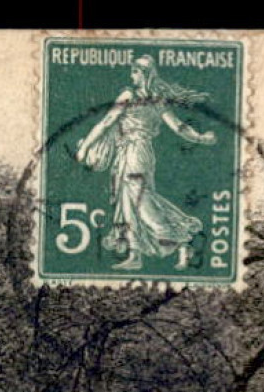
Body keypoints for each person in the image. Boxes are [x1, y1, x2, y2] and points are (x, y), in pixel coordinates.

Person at [75, 56, 217, 271]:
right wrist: (200, 138)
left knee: (140, 200)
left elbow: (106, 123)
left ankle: (177, 237)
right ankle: (136, 255)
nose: (131, 76)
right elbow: (178, 127)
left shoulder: (129, 95)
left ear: (143, 74)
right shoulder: (157, 100)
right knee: (129, 201)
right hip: (138, 153)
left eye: (134, 72)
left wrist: (85, 146)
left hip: (134, 151)